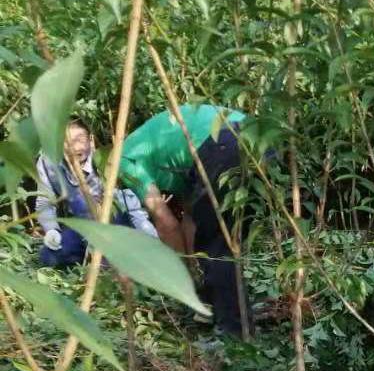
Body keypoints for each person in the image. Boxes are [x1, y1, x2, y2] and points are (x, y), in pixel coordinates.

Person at [119, 104, 247, 335]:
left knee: (218, 246)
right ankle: (215, 302)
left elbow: (166, 223)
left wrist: (184, 282)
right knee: (228, 233)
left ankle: (235, 336)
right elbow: (190, 219)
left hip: (221, 142)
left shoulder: (125, 160)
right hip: (256, 133)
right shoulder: (167, 155)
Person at [35, 121, 157, 269]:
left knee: (116, 262)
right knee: (50, 256)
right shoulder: (48, 163)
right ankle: (87, 258)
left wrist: (152, 243)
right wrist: (51, 230)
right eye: (66, 142)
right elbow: (44, 201)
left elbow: (132, 208)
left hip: (114, 223)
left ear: (91, 141)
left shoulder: (107, 162)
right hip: (82, 225)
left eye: (79, 139)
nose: (74, 147)